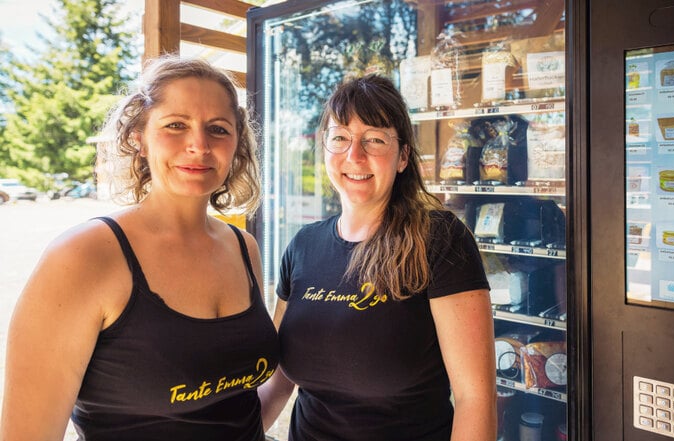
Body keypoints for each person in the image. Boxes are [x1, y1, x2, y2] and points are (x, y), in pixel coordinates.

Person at [0, 56, 279, 440]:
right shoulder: (84, 256)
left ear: (236, 145)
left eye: (217, 129)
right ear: (139, 138)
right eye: (175, 125)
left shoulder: (243, 247)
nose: (198, 145)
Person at [258, 74, 497, 441]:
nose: (354, 155)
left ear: (402, 156)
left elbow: (474, 399)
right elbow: (277, 384)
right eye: (340, 138)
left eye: (374, 139)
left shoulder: (438, 240)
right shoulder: (303, 246)